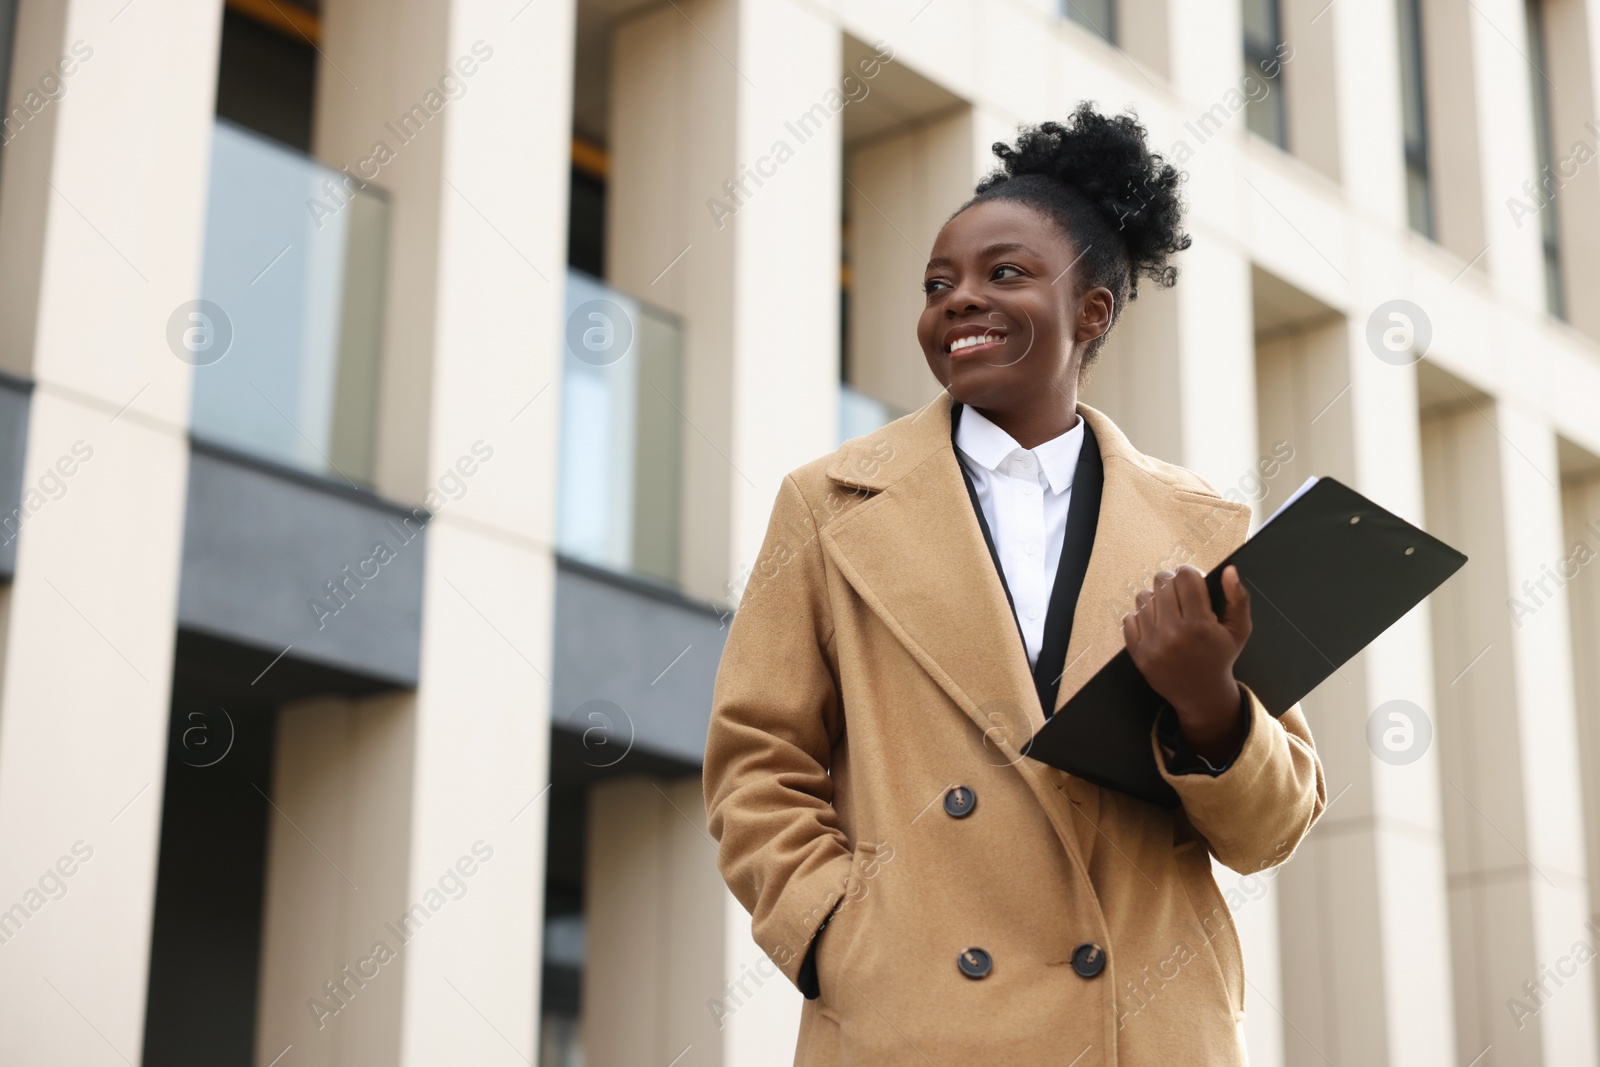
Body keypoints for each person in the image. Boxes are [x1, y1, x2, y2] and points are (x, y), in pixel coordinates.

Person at [703, 102, 1326, 1065]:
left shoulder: (1206, 527)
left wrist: (1211, 707)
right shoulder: (827, 504)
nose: (958, 298)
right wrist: (835, 933)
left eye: (1006, 273)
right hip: (911, 1019)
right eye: (937, 283)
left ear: (1092, 312)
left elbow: (1269, 831)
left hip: (1144, 1024)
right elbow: (757, 757)